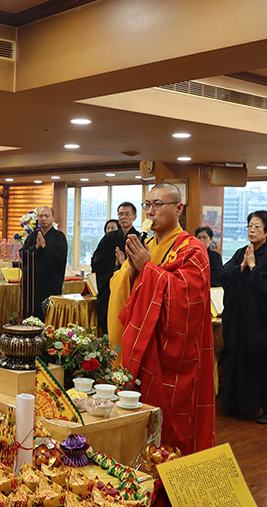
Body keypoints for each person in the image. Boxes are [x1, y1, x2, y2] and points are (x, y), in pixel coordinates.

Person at [107, 184, 214, 454]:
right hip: (143, 345)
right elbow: (124, 289)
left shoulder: (193, 249)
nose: (150, 212)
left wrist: (147, 268)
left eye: (157, 205)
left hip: (174, 355)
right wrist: (133, 271)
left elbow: (188, 300)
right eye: (147, 205)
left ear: (178, 208)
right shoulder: (148, 245)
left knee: (171, 424)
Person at [220, 210, 267, 424]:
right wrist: (241, 266)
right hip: (240, 319)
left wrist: (254, 267)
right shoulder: (241, 252)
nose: (252, 230)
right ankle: (236, 405)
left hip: (261, 322)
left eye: (257, 227)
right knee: (237, 359)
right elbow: (223, 276)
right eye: (249, 226)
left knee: (262, 364)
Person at [92, 202, 141, 333]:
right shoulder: (109, 237)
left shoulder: (138, 238)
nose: (123, 217)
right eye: (120, 214)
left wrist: (125, 264)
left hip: (128, 290)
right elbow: (96, 261)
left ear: (134, 217)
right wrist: (114, 264)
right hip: (108, 289)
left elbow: (143, 266)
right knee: (107, 325)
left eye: (127, 214)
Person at [19, 206, 67, 320]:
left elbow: (60, 259)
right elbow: (23, 254)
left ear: (53, 218)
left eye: (46, 216)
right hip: (32, 284)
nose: (44, 219)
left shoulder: (59, 237)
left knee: (47, 315)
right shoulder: (33, 236)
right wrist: (36, 247)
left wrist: (45, 246)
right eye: (41, 216)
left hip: (50, 283)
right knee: (30, 314)